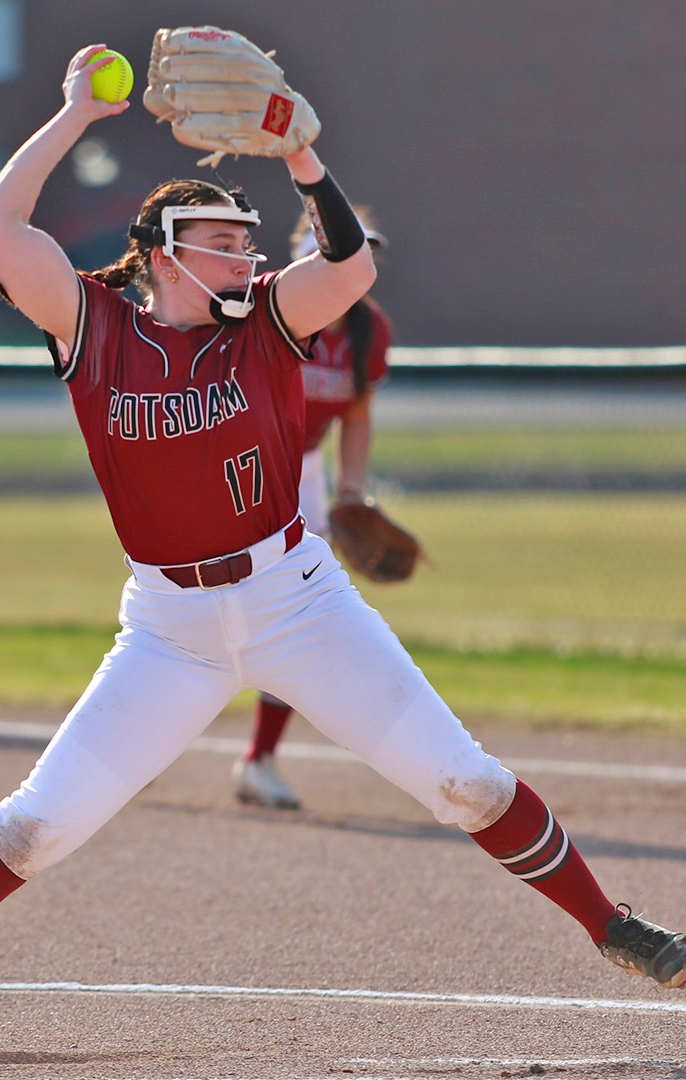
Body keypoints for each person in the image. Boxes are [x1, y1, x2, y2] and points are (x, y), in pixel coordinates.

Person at [0, 45, 686, 1064]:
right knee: (34, 830)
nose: (245, 260)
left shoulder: (264, 320)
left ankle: (610, 924)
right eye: (220, 243)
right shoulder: (95, 323)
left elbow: (351, 267)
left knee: (465, 783)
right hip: (168, 631)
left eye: (246, 242)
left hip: (301, 605)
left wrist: (304, 155)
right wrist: (76, 113)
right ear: (163, 252)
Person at [234, 209, 394, 811]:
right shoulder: (267, 308)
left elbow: (354, 413)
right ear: (303, 254)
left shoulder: (365, 330)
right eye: (335, 248)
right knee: (197, 612)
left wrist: (350, 492)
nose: (354, 261)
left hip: (301, 471)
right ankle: (133, 738)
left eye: (362, 251)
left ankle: (259, 760)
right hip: (233, 467)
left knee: (300, 617)